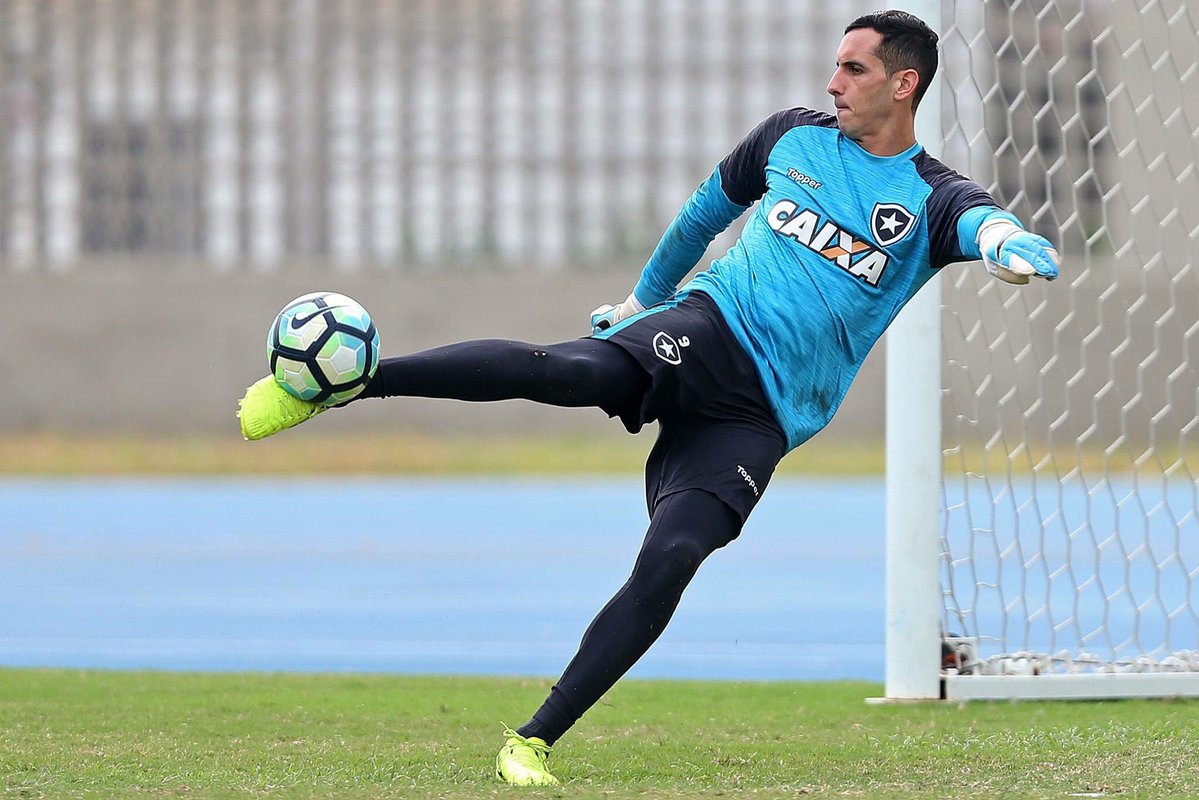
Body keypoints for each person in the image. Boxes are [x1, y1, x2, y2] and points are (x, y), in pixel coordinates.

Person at [237, 10, 1059, 786]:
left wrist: (1010, 244)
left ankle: (530, 741)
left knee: (671, 558)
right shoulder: (791, 137)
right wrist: (640, 302)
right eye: (836, 66)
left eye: (854, 68)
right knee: (567, 372)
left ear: (903, 84)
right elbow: (707, 213)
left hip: (763, 417)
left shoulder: (927, 197)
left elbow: (983, 224)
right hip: (705, 330)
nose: (834, 81)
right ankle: (347, 383)